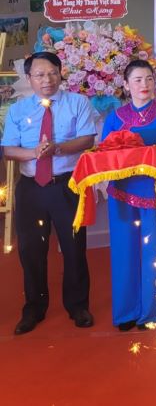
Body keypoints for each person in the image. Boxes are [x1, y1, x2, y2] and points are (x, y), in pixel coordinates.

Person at [3, 51, 97, 335]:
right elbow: (9, 150)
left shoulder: (78, 102)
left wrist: (58, 148)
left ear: (61, 73)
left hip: (67, 185)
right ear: (28, 78)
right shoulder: (18, 110)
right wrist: (34, 153)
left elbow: (87, 139)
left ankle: (78, 306)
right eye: (40, 75)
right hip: (31, 188)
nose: (47, 79)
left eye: (53, 73)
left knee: (74, 247)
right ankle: (34, 307)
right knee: (31, 250)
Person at [101, 60, 156, 330]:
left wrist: (146, 153)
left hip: (155, 191)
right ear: (126, 85)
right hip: (122, 192)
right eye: (137, 80)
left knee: (154, 251)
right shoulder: (115, 117)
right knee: (124, 251)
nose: (144, 85)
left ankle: (151, 312)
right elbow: (104, 153)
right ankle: (125, 312)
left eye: (149, 79)